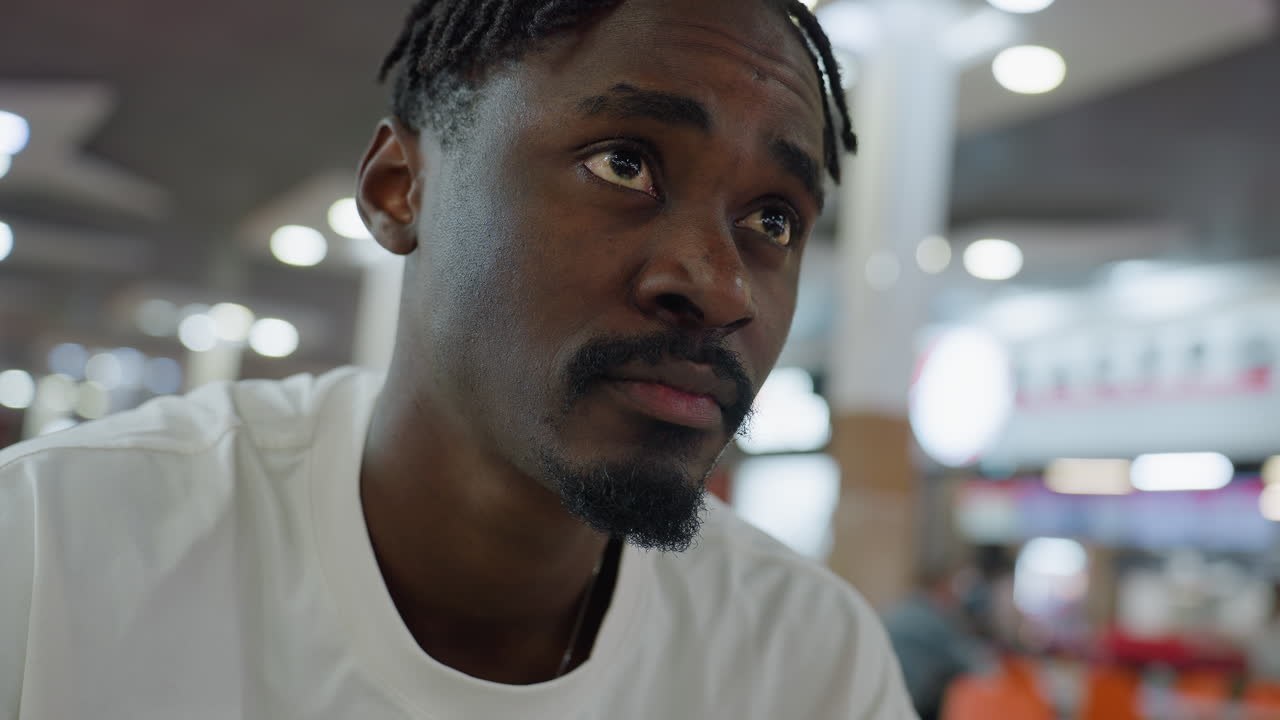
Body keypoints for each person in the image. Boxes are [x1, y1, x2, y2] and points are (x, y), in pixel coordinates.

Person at [0, 1, 917, 717]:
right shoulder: (51, 553)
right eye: (625, 164)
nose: (721, 287)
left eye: (772, 221)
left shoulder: (806, 662)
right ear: (401, 189)